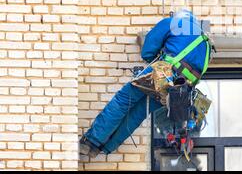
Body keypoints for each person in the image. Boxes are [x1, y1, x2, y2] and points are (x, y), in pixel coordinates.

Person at [79, 9, 211, 157]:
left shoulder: (175, 23)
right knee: (138, 113)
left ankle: (91, 142)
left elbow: (147, 50)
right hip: (178, 90)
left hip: (163, 74)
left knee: (123, 101)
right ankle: (105, 148)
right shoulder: (206, 45)